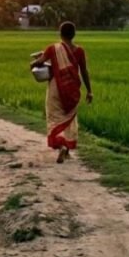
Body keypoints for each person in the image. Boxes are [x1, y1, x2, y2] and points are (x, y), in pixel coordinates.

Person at [30, 21, 92, 163]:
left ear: (60, 33)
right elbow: (84, 71)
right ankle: (67, 148)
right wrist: (89, 91)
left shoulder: (53, 48)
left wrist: (35, 62)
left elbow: (38, 63)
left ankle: (61, 147)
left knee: (54, 117)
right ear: (74, 34)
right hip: (72, 89)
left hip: (56, 88)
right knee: (69, 118)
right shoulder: (80, 51)